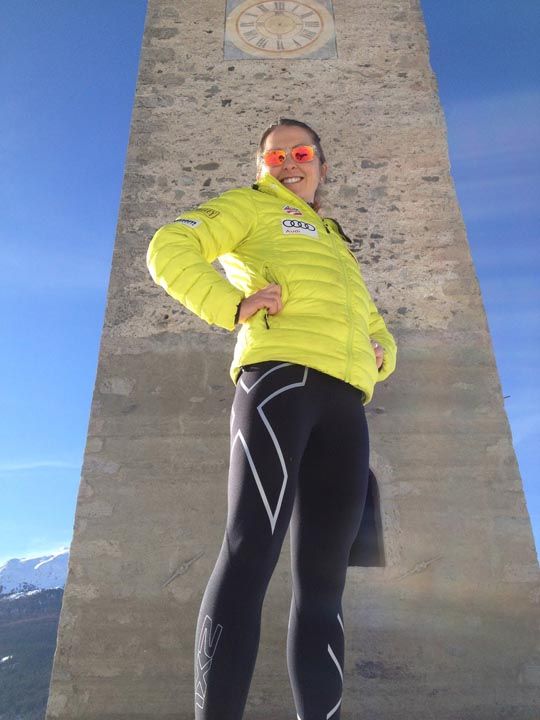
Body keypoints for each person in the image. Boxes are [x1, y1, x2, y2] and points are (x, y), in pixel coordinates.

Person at [146, 118, 397, 720]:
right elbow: (168, 246)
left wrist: (382, 353)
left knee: (325, 586)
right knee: (249, 553)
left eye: (301, 153)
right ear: (261, 167)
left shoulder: (334, 238)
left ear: (321, 167)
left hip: (346, 405)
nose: (289, 163)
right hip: (280, 383)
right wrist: (231, 304)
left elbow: (371, 319)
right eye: (275, 156)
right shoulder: (249, 207)